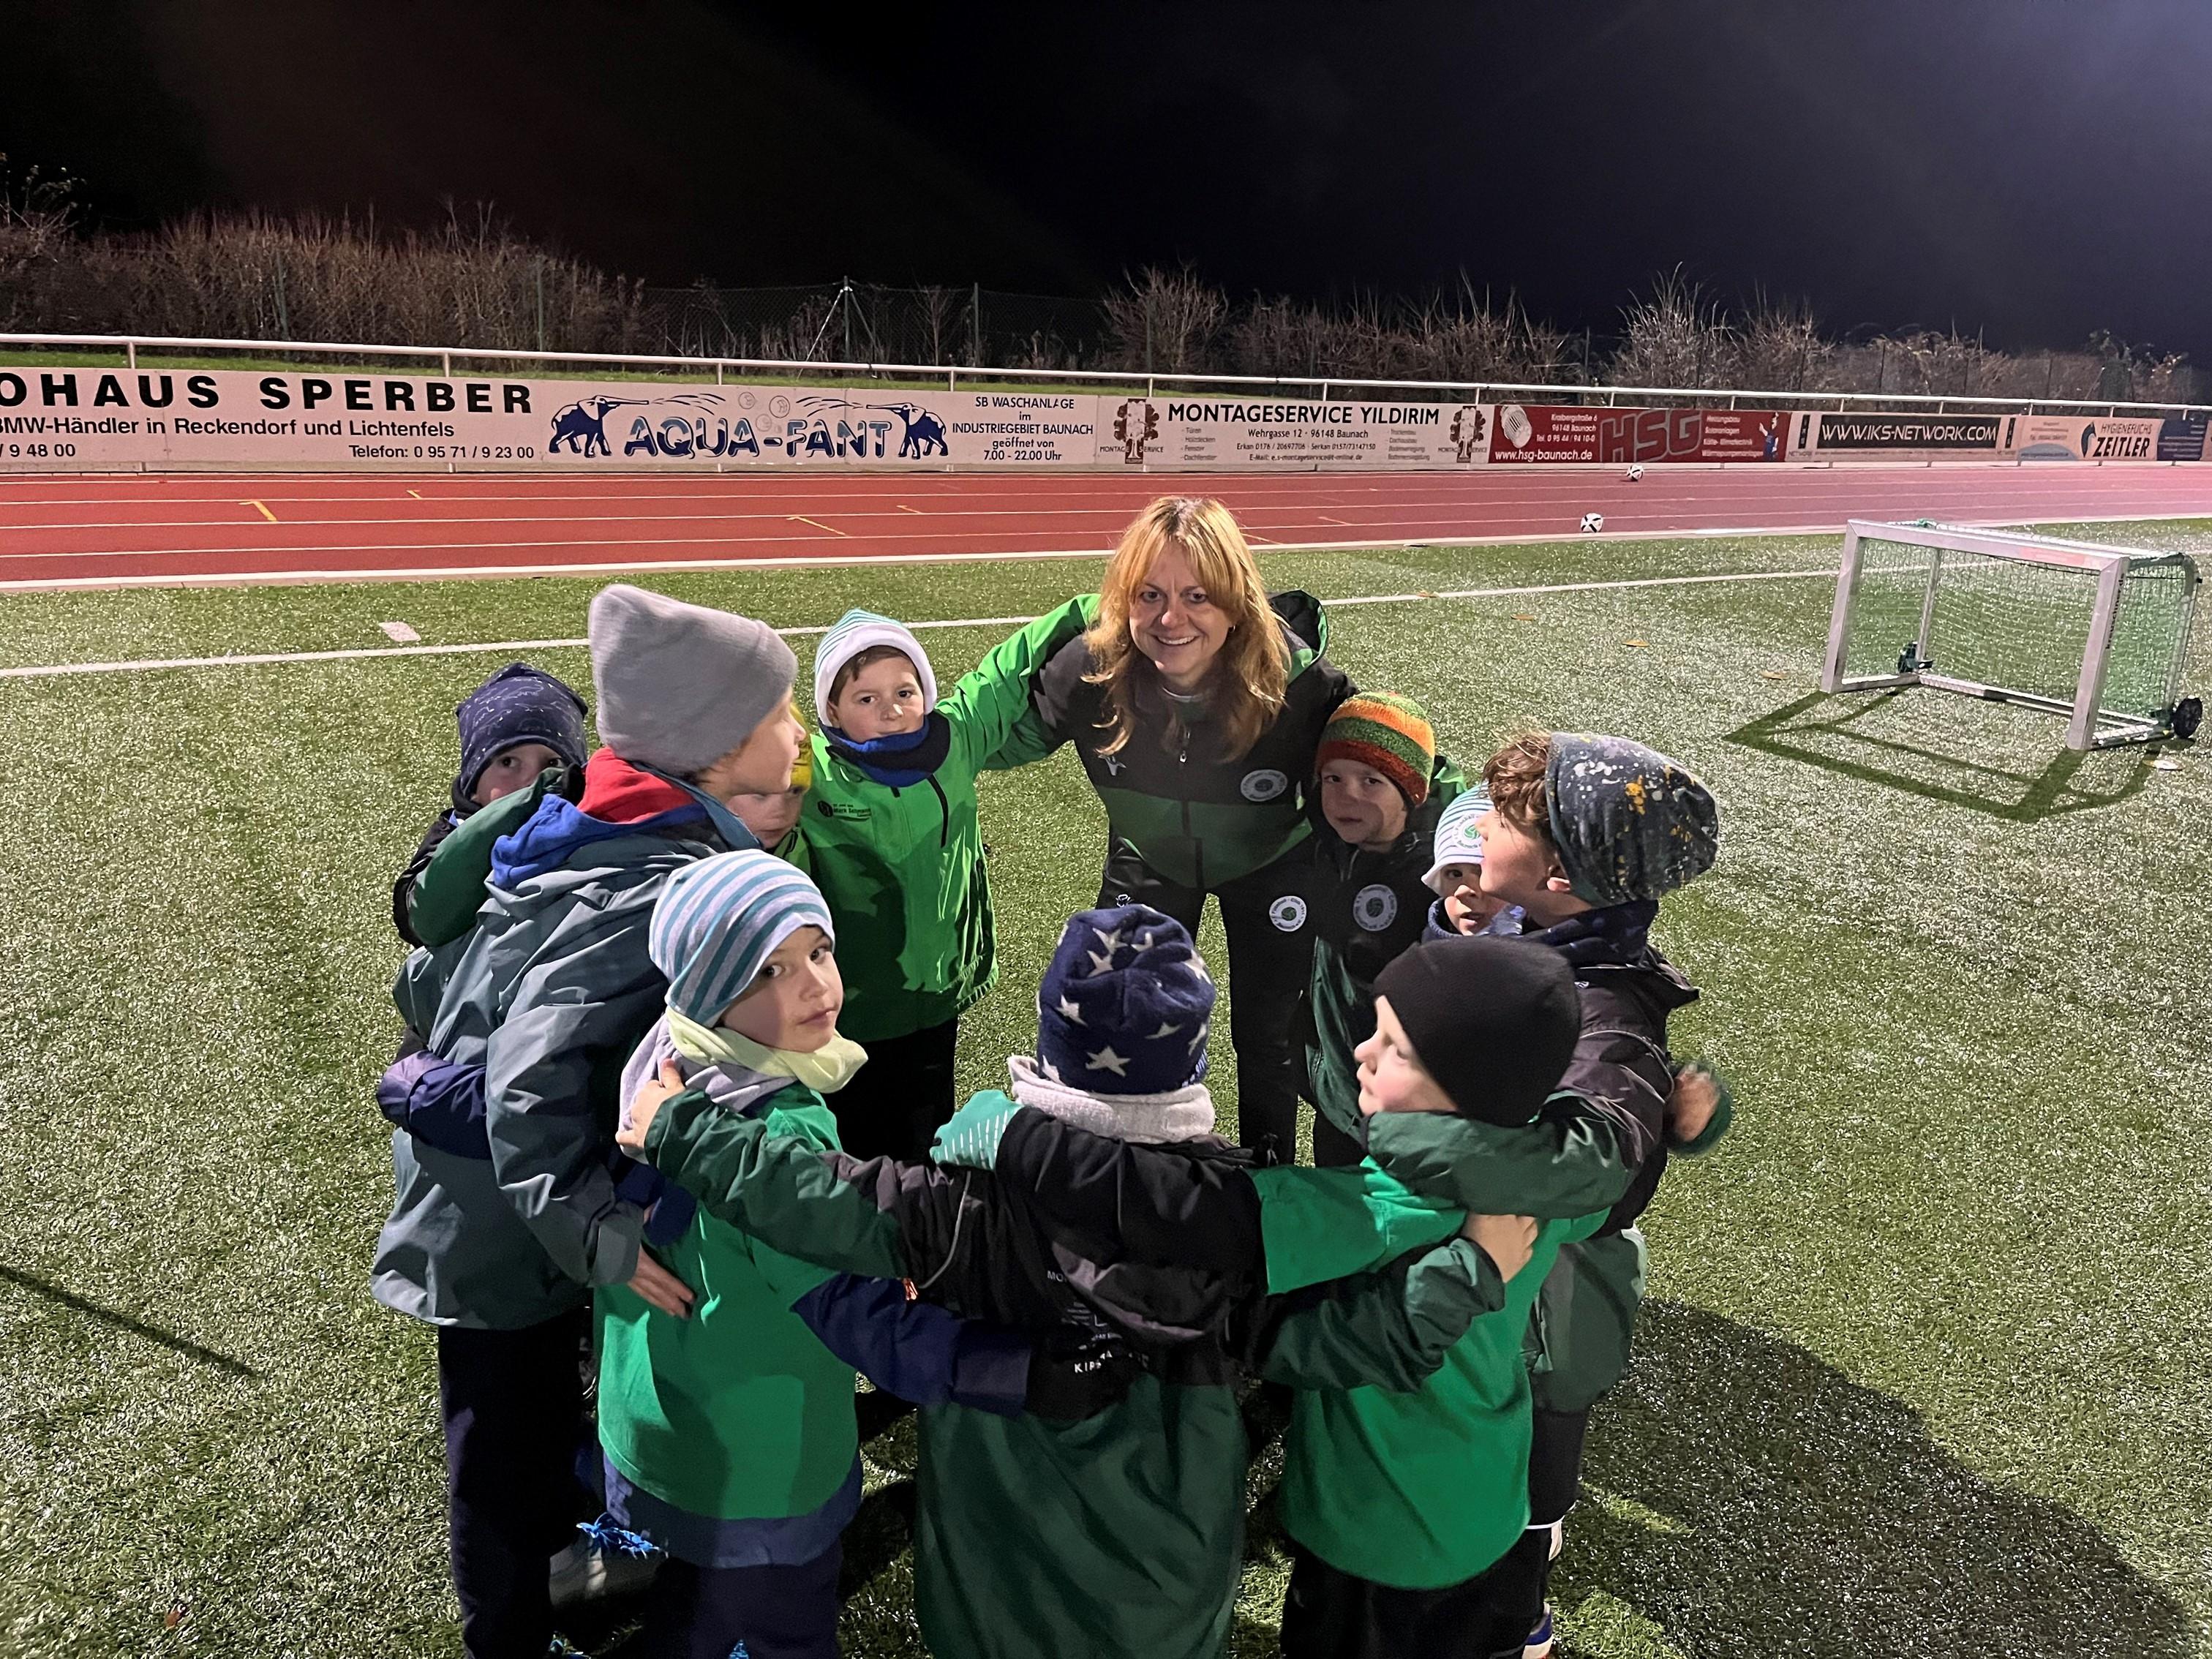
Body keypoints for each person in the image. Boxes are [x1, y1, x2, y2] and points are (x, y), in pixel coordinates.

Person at [618, 906, 1535, 1659]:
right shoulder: (1248, 1227)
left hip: (987, 1572)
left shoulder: (966, 1202)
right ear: (1192, 1065)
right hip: (1161, 1585)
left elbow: (810, 1199)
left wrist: (679, 1127)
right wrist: (1474, 1268)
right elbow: (1354, 1340)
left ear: (1051, 1049)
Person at [372, 582, 801, 1659]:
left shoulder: (614, 820)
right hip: (500, 1223)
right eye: (780, 711)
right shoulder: (649, 871)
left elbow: (447, 977)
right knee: (499, 1456)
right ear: (718, 743)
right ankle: (509, 1637)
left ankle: (566, 1565)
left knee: (539, 1423)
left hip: (520, 1197)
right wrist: (597, 1230)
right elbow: (527, 1080)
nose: (799, 732)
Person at [598, 850, 1036, 1659]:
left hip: (664, 1415)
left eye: (819, 952)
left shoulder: (660, 1063)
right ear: (709, 990)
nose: (815, 986)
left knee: (701, 1599)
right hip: (761, 1456)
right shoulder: (781, 1127)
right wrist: (1015, 1370)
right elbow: (850, 1308)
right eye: (769, 970)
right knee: (783, 1627)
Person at [1462, 731, 1726, 1658]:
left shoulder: (1599, 1010)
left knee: (1532, 1447)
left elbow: (1602, 1164)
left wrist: (1452, 1147)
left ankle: (1518, 1618)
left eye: (1500, 822)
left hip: (1555, 1285)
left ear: (1560, 875)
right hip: (1526, 1270)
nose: (1479, 829)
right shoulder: (1551, 945)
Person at [1007, 496, 1355, 1165]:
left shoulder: (1302, 684)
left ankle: (1270, 1182)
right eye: (1150, 595)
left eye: (1198, 596)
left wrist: (1470, 847)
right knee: (1122, 1020)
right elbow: (981, 731)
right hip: (1150, 857)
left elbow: (1402, 769)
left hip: (1275, 864)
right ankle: (1133, 1179)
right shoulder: (1090, 668)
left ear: (1236, 602)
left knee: (1270, 1037)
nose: (1172, 619)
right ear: (1123, 601)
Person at [797, 604, 1087, 1159]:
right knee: (854, 1137)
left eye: (904, 692)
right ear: (831, 709)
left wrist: (1099, 608)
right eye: (866, 699)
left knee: (926, 1127)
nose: (891, 710)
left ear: (925, 694)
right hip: (850, 1003)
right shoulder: (813, 772)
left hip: (938, 991)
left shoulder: (953, 739)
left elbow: (1005, 671)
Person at [1271, 691, 1463, 1167]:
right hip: (1337, 1096)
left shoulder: (1438, 883)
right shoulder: (1338, 843)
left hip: (1398, 1118)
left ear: (1412, 791)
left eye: (1371, 781)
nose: (1346, 796)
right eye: (1333, 778)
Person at [391, 661, 588, 949]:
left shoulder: (588, 824)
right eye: (508, 762)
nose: (533, 780)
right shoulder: (451, 838)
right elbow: (424, 920)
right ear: (473, 787)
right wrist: (524, 805)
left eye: (553, 763)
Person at [725, 702, 811, 865]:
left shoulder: (804, 852)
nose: (781, 810)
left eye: (795, 791)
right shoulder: (689, 858)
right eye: (761, 793)